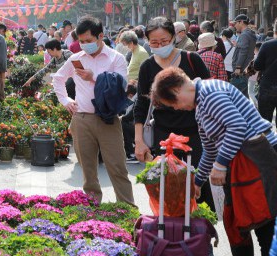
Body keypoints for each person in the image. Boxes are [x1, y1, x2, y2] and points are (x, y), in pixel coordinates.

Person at [151, 67, 277, 256]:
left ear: (177, 90)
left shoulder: (210, 93)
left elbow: (237, 126)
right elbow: (210, 149)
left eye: (173, 103)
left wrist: (220, 165)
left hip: (257, 158)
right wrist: (198, 181)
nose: (176, 108)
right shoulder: (200, 106)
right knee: (237, 222)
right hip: (242, 161)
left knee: (263, 219)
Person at [133, 16, 215, 212]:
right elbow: (141, 106)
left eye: (164, 41)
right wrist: (139, 141)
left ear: (174, 38)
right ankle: (171, 233)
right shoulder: (147, 67)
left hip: (195, 134)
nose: (160, 45)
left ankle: (201, 233)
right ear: (148, 41)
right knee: (166, 187)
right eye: (154, 42)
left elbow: (209, 92)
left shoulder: (191, 59)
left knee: (199, 187)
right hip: (164, 138)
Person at [51, 16, 135, 205]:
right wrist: (65, 100)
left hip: (108, 119)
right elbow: (58, 79)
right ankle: (92, 210)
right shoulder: (76, 58)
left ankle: (128, 210)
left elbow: (120, 87)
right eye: (80, 41)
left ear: (100, 36)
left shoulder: (116, 57)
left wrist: (93, 77)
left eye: (88, 41)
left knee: (117, 168)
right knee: (88, 170)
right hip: (81, 119)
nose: (84, 45)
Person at [254, 18, 277, 124]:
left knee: (264, 122)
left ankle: (269, 140)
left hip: (268, 87)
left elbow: (257, 66)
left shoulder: (267, 45)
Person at [231, 14, 257, 97]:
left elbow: (243, 52)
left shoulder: (245, 35)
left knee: (238, 95)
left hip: (242, 69)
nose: (234, 25)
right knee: (244, 94)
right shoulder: (250, 33)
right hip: (247, 67)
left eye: (236, 23)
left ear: (241, 22)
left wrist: (238, 67)